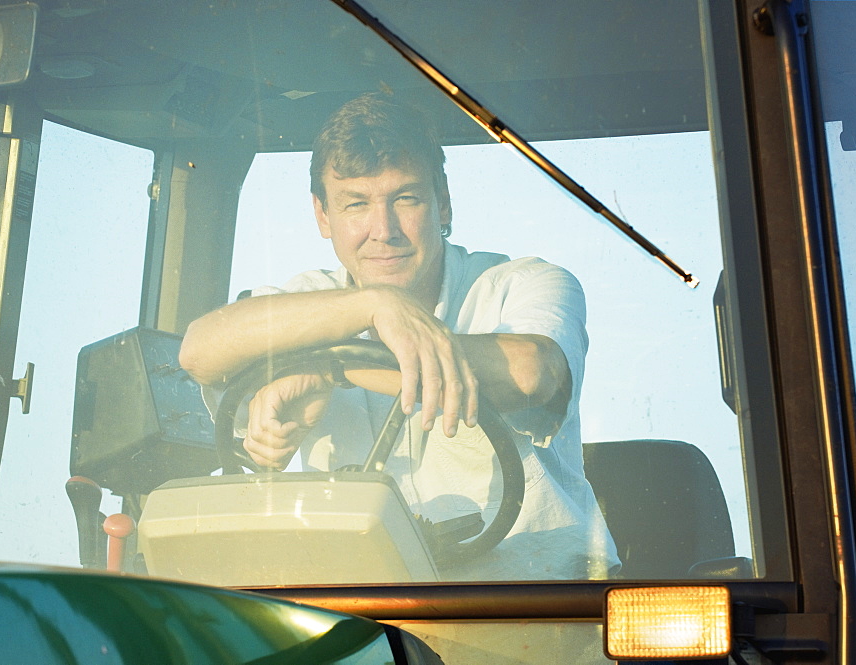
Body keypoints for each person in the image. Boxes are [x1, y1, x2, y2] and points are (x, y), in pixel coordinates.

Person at [179, 93, 619, 580]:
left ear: (443, 202)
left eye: (405, 198)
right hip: (369, 609)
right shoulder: (308, 298)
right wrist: (374, 306)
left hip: (533, 600)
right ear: (323, 216)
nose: (382, 230)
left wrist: (330, 367)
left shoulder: (524, 283)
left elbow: (532, 372)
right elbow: (200, 348)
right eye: (356, 204)